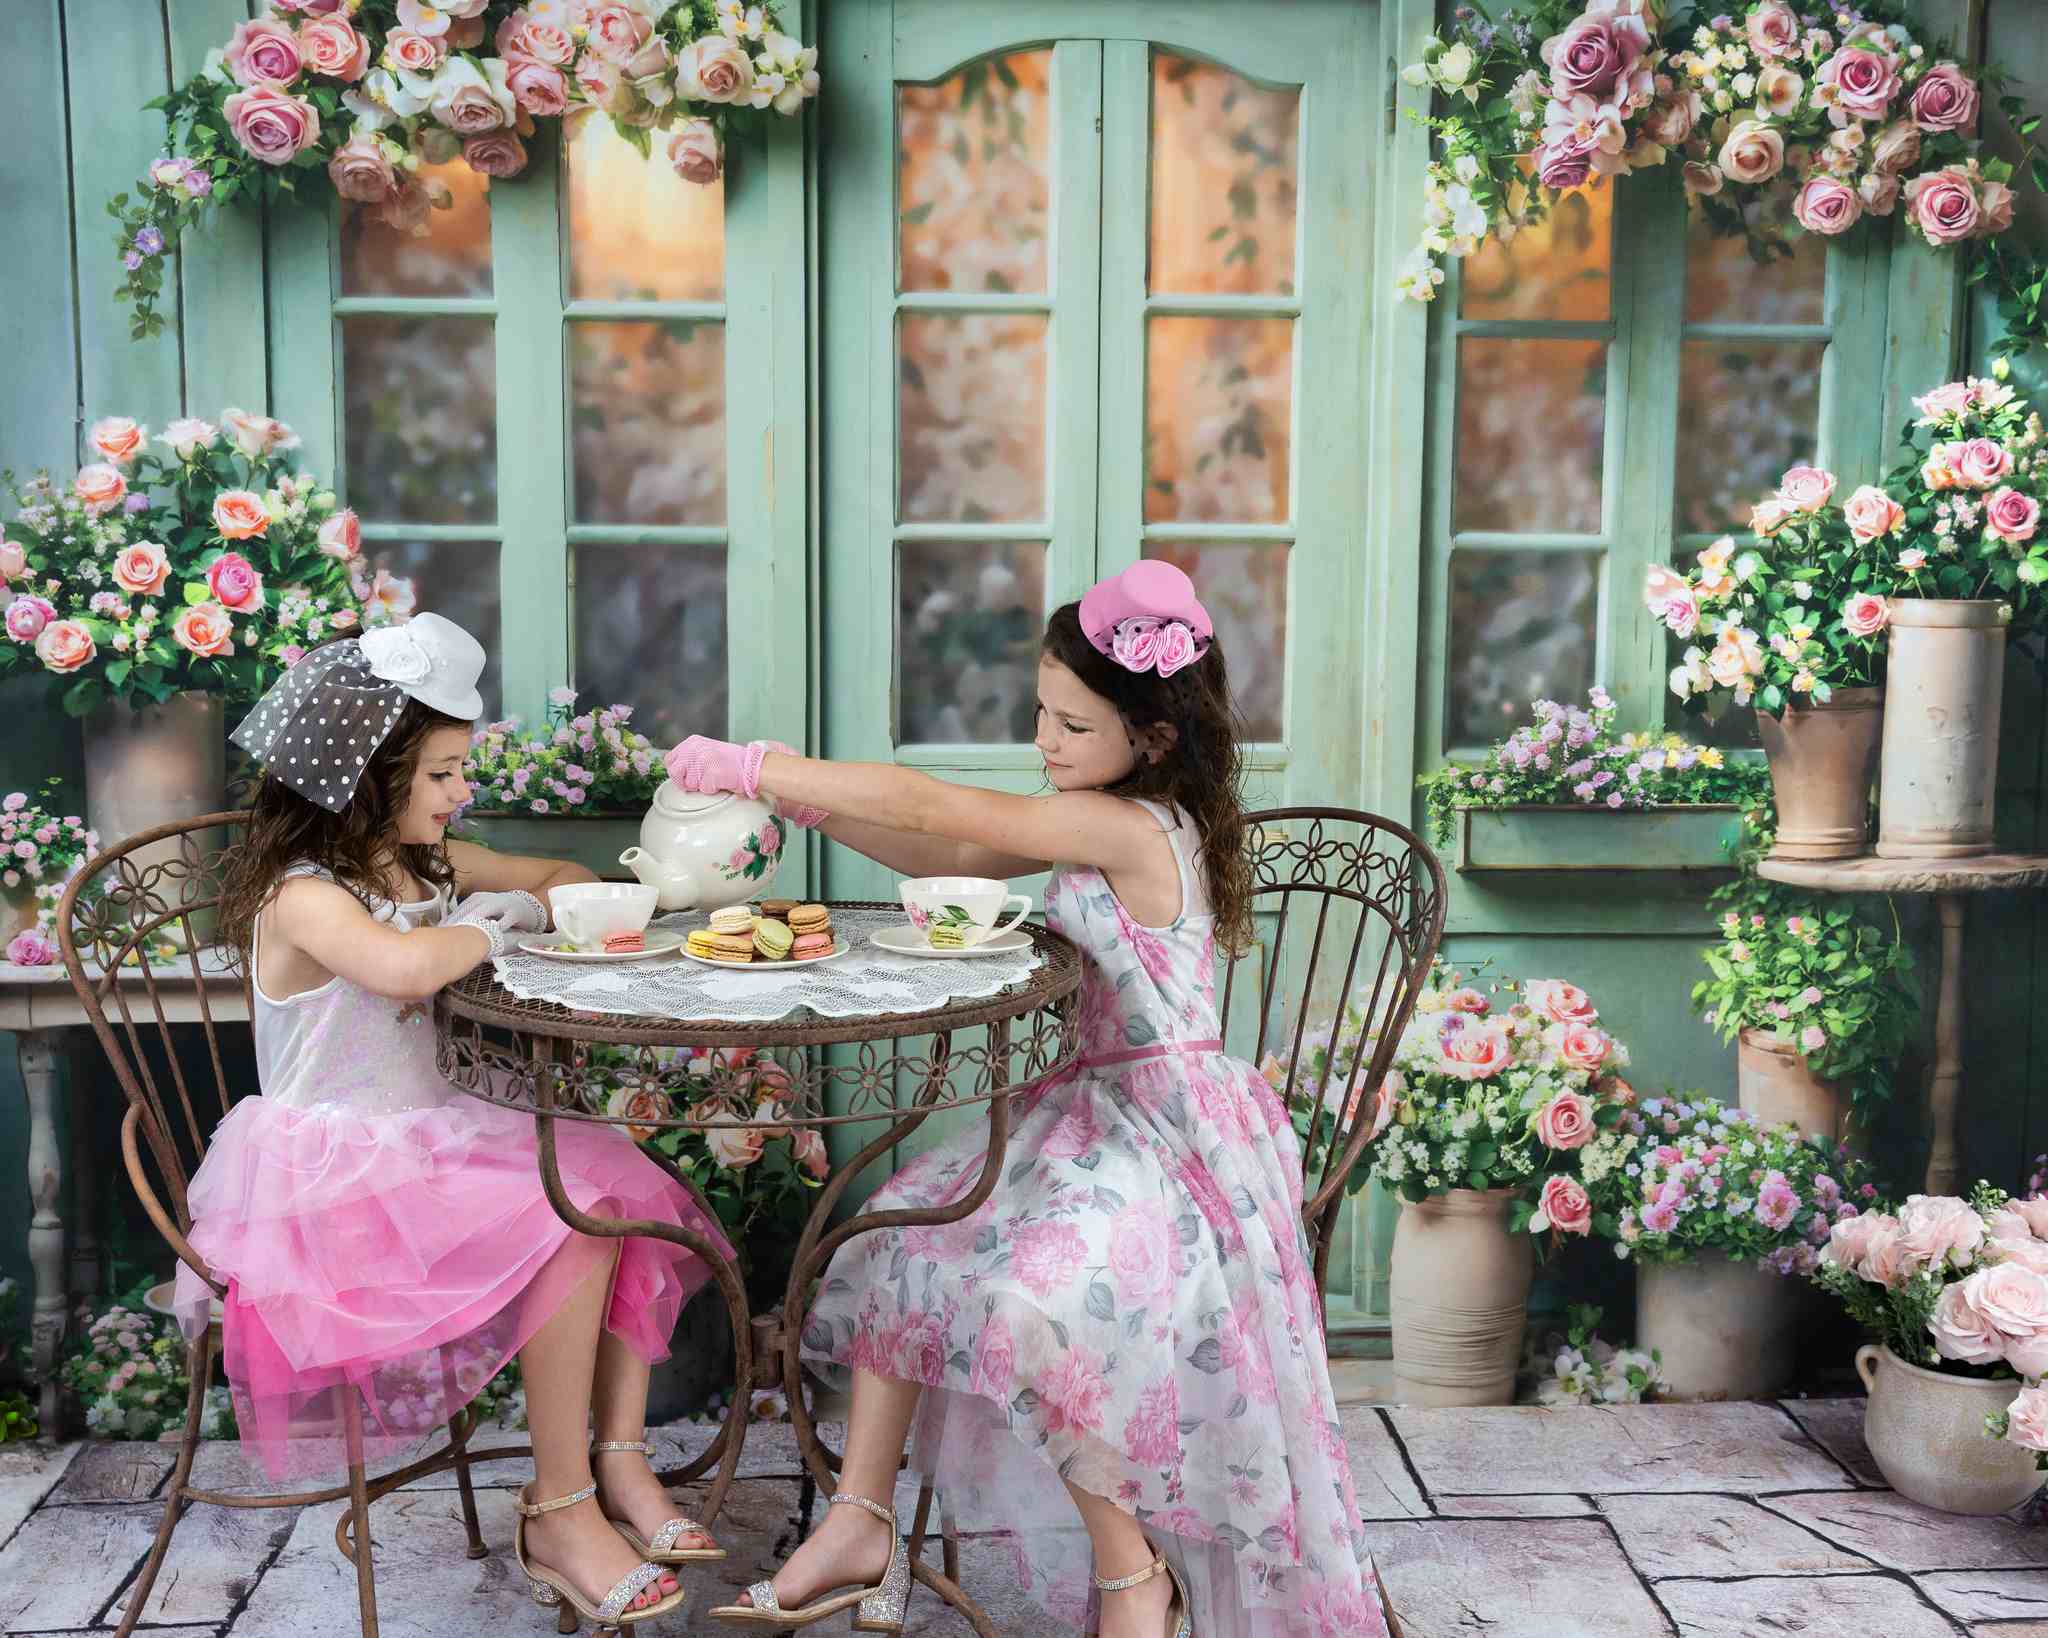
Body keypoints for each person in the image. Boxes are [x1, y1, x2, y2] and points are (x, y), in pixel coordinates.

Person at [667, 564, 1397, 1636]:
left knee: (1028, 1313)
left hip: (1172, 1141)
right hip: (1090, 1124)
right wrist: (795, 801)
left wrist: (761, 762)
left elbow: (939, 803)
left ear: (1148, 738)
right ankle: (861, 1520)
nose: (1045, 741)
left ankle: (1130, 1574)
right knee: (896, 1246)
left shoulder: (1137, 826)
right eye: (1039, 714)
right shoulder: (1091, 809)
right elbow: (952, 847)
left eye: (1069, 723)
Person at [175, 615, 730, 1630]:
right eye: (440, 775)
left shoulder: (419, 864)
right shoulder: (304, 897)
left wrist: (520, 895)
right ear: (366, 778)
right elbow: (401, 967)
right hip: (336, 1182)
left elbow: (559, 882)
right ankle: (560, 1510)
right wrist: (491, 920)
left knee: (607, 1183)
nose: (459, 792)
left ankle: (615, 1462)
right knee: (570, 1211)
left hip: (434, 1140)